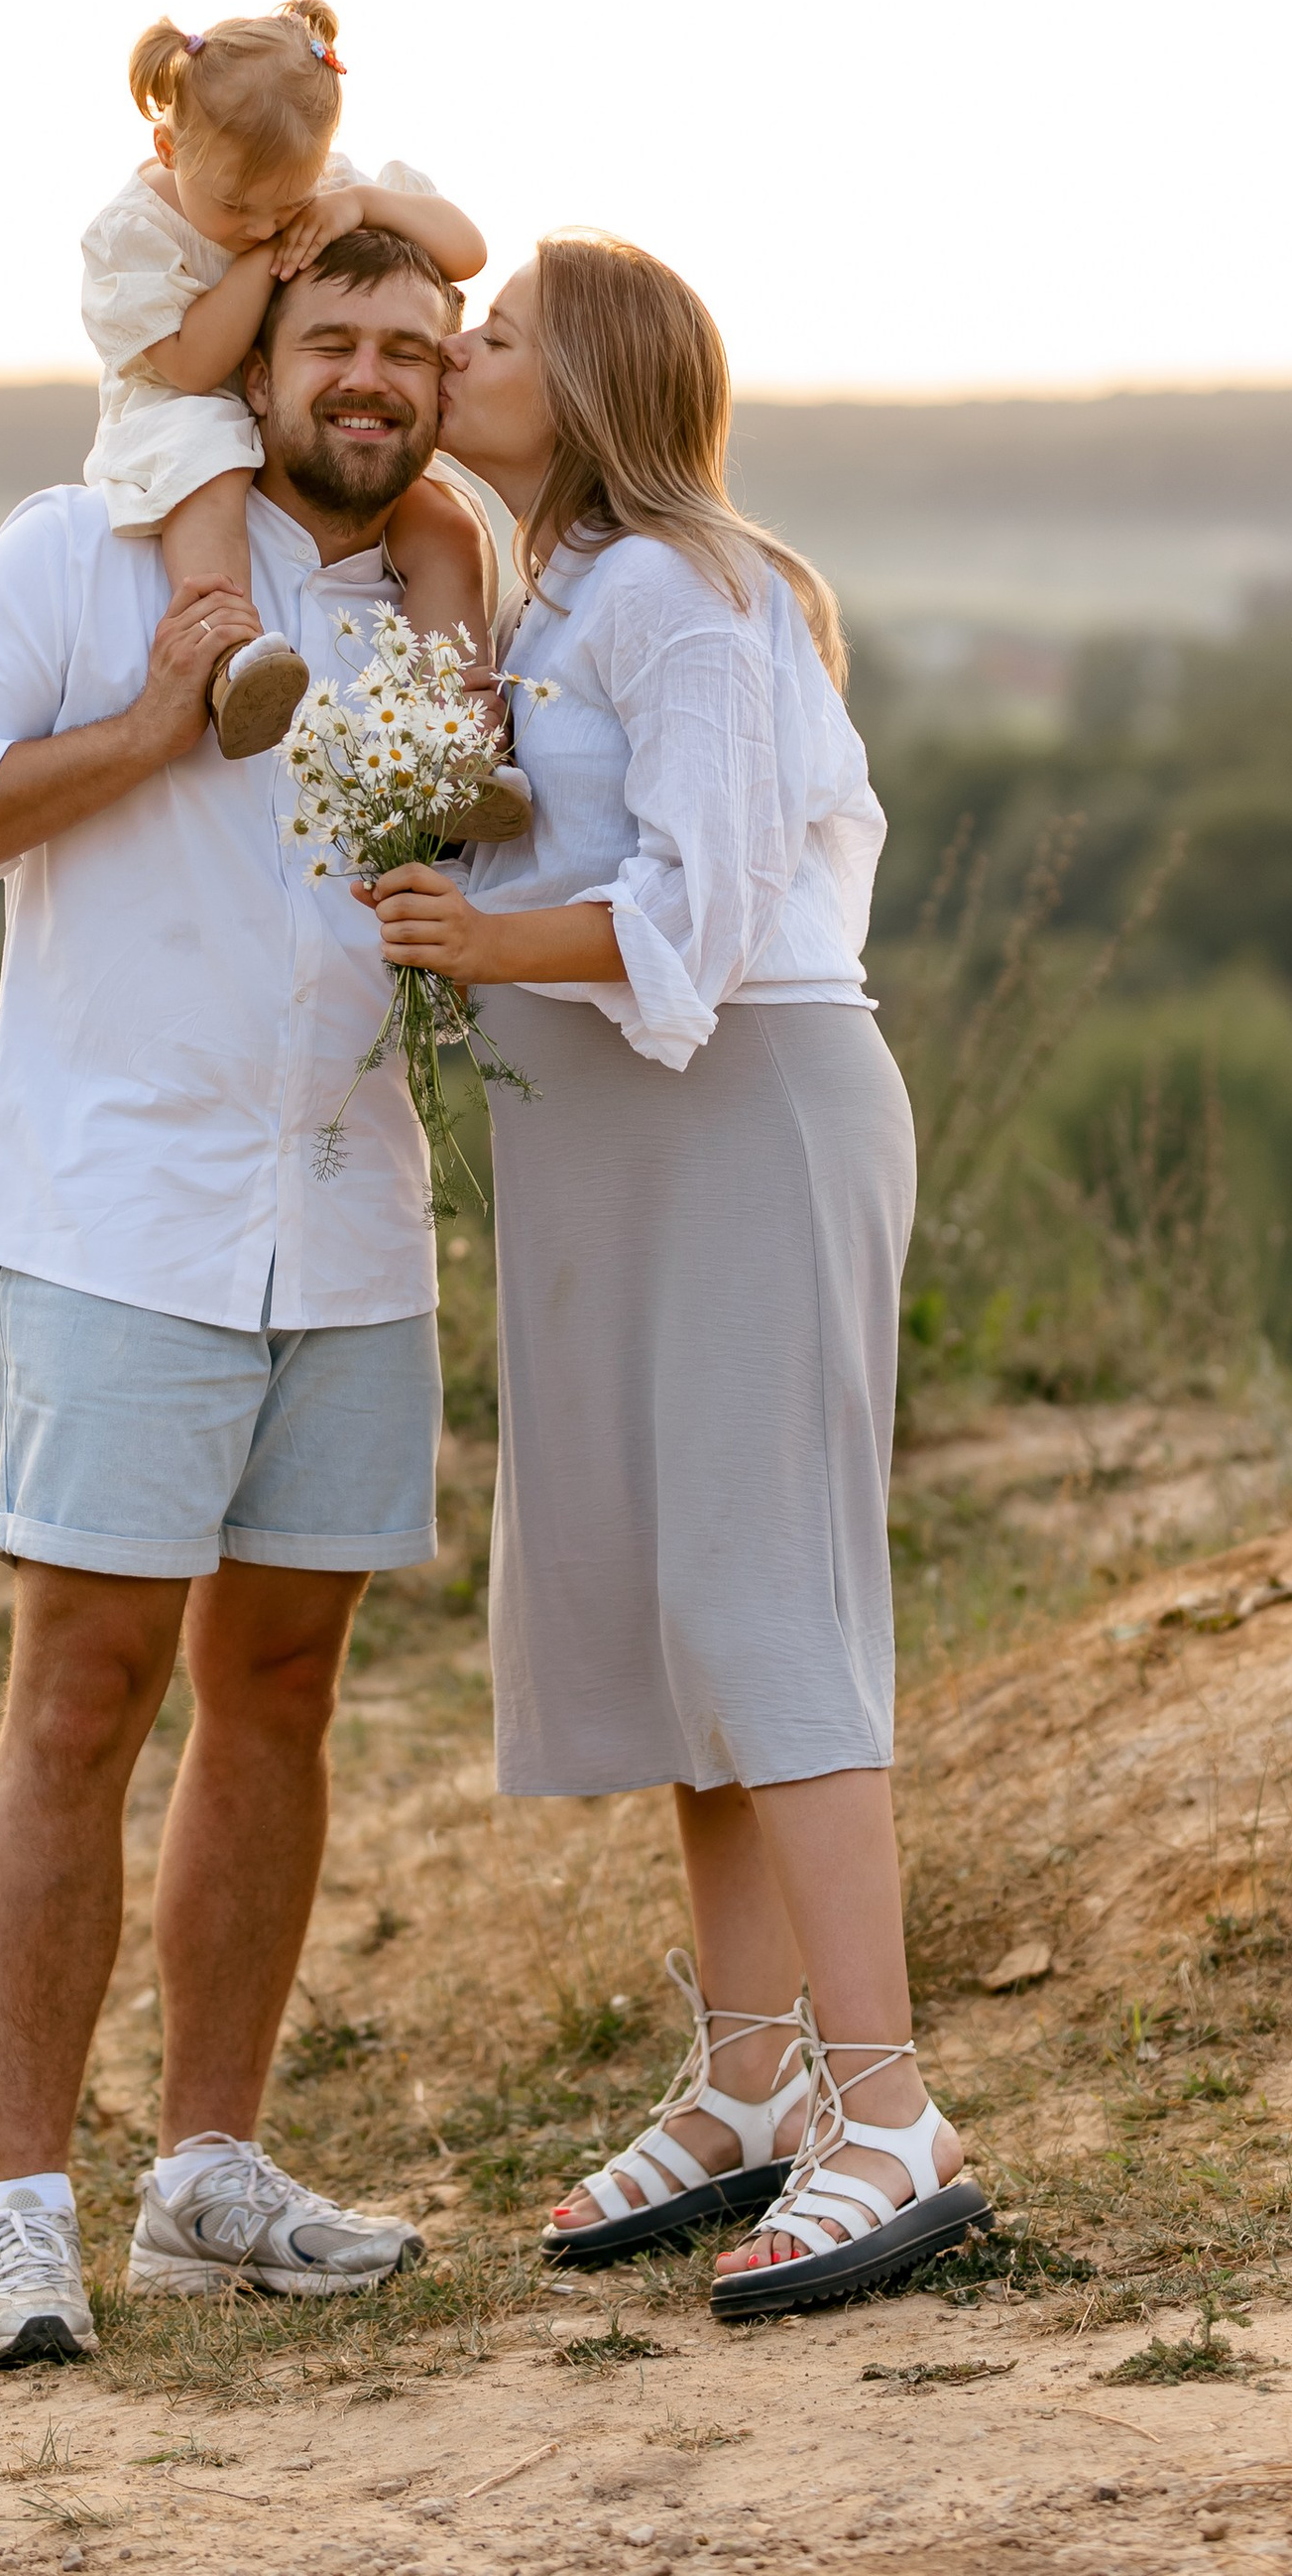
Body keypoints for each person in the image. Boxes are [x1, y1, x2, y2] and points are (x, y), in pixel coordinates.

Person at [0, 227, 468, 2369]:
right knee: (82, 1699)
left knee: (278, 1689)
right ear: (251, 367)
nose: (369, 378)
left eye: (410, 349)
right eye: (332, 340)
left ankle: (209, 2180)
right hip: (117, 1217)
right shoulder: (84, 551)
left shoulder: (444, 607)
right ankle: (21, 2215)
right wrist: (141, 730)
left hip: (352, 1223)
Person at [362, 233, 992, 2323]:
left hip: (744, 1118)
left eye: (495, 333)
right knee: (676, 1608)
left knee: (762, 1594)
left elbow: (704, 913)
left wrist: (480, 937)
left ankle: (886, 2109)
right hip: (621, 1145)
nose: (456, 351)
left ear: (593, 384)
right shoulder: (557, 600)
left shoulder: (679, 594)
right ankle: (745, 2084)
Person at [79, 0, 525, 847]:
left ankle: (457, 736)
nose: (262, 225)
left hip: (296, 406)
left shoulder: (321, 188)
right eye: (238, 209)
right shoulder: (134, 233)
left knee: (445, 522)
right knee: (209, 476)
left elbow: (465, 250)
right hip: (185, 406)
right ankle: (234, 657)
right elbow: (192, 364)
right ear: (169, 148)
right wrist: (260, 262)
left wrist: (360, 207)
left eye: (284, 209)